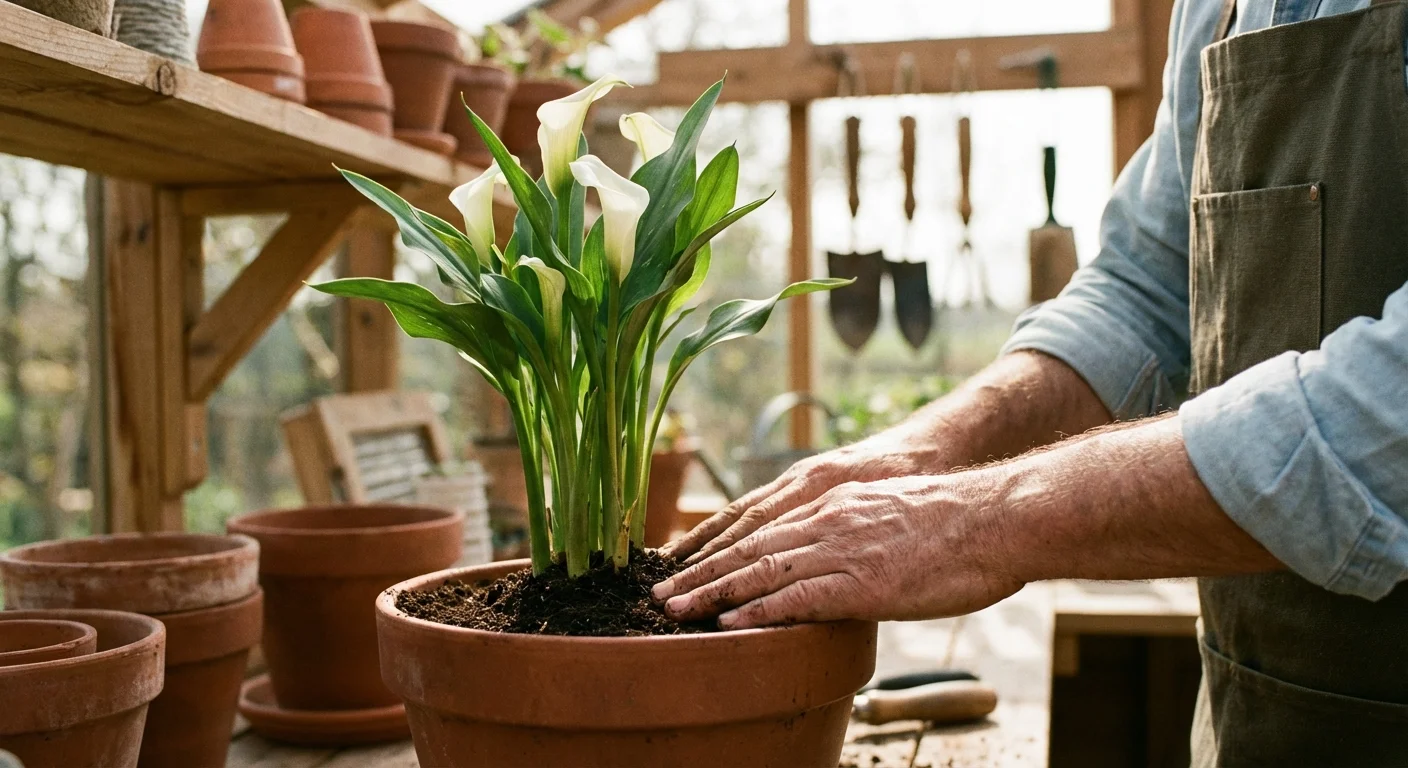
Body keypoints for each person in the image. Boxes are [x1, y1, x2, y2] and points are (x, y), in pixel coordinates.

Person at [651, 0, 1408, 762]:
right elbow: (1145, 288)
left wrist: (977, 520)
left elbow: (1382, 412)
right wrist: (923, 450)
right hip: (1255, 715)